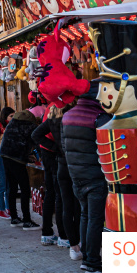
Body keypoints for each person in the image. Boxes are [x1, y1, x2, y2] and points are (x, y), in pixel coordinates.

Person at [62, 83, 111, 271]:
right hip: (96, 175)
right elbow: (107, 148)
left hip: (76, 175)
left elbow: (65, 147)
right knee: (95, 219)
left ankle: (85, 257)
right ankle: (92, 262)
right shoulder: (99, 116)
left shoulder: (67, 116)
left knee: (85, 215)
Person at [33, 104, 80, 252]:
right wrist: (56, 148)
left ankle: (50, 233)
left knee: (54, 195)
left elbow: (36, 134)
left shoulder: (52, 113)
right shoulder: (70, 116)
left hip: (53, 157)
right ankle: (66, 237)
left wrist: (53, 147)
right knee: (65, 199)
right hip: (63, 160)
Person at [0, 109, 41, 230]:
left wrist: (27, 155)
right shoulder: (30, 125)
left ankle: (14, 218)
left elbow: (17, 141)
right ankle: (27, 220)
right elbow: (36, 141)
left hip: (5, 155)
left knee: (12, 188)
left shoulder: (13, 123)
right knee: (25, 188)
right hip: (16, 158)